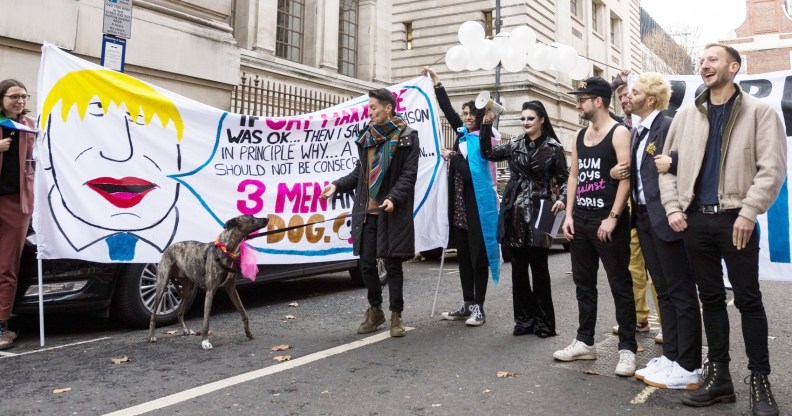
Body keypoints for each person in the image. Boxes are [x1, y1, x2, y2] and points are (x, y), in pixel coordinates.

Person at [659, 43, 785, 415]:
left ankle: (760, 381)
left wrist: (749, 212)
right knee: (710, 300)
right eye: (701, 61)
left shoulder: (759, 112)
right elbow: (665, 167)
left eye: (712, 59)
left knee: (748, 301)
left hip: (737, 220)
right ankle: (720, 380)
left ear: (734, 67)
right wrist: (672, 208)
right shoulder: (686, 116)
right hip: (696, 220)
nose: (704, 66)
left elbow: (772, 169)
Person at [611, 72, 702, 390]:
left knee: (681, 291)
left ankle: (689, 365)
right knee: (663, 290)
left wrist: (673, 161)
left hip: (668, 218)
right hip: (645, 219)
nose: (627, 96)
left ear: (649, 99)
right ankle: (673, 357)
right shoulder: (637, 131)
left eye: (632, 92)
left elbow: (693, 159)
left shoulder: (668, 125)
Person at [40, 69, 185, 261]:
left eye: (144, 127)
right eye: (92, 127)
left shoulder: (191, 235)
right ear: (46, 147)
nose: (121, 154)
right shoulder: (42, 228)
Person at [552, 77, 637, 377]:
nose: (578, 103)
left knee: (619, 285)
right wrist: (569, 215)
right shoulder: (578, 135)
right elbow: (574, 176)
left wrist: (613, 217)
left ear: (598, 101)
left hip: (608, 220)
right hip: (583, 222)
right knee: (583, 284)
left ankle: (627, 349)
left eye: (583, 98)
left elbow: (625, 177)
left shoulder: (619, 133)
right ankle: (585, 342)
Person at [320, 88, 419, 338]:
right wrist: (336, 185)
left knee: (393, 264)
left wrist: (393, 198)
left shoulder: (407, 136)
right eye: (369, 107)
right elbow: (359, 174)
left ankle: (397, 315)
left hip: (392, 211)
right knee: (366, 265)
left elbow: (409, 175)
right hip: (367, 212)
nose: (370, 111)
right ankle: (376, 311)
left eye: (374, 107)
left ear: (388, 108)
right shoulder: (366, 138)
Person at [479, 100, 568, 337]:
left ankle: (544, 324)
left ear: (541, 120)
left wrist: (564, 199)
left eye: (530, 118)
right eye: (523, 118)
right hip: (514, 210)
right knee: (518, 269)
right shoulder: (515, 144)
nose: (526, 122)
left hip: (542, 209)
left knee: (539, 269)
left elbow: (565, 179)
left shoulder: (554, 148)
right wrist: (487, 124)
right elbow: (487, 152)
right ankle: (524, 321)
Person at [421, 67, 500, 327]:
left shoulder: (482, 141)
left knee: (478, 258)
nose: (465, 117)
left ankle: (480, 306)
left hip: (477, 208)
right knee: (464, 256)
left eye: (469, 114)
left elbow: (470, 175)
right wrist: (436, 83)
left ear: (479, 117)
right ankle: (467, 303)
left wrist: (452, 156)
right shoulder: (464, 136)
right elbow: (448, 111)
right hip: (459, 208)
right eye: (464, 114)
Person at [610, 70, 663, 342]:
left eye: (628, 93)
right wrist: (612, 172)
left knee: (658, 269)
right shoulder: (622, 127)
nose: (624, 99)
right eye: (620, 96)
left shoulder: (655, 124)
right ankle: (639, 317)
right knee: (633, 266)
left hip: (654, 207)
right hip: (631, 208)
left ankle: (666, 321)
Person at [0, 79, 36, 350]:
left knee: (7, 268)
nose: (20, 101)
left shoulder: (30, 126)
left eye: (24, 96)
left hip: (16, 204)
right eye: (14, 96)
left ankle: (2, 324)